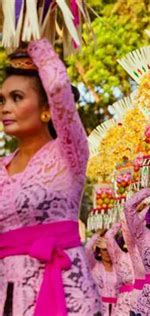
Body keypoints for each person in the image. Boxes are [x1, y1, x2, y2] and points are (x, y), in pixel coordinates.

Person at [0, 39, 101, 315]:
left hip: (66, 294)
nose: (5, 108)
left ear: (47, 109)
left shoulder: (69, 154)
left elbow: (57, 86)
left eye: (16, 98)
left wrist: (34, 37)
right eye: (2, 99)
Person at [104, 224, 138, 315]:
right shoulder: (119, 256)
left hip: (141, 302)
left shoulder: (146, 254)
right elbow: (108, 236)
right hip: (123, 306)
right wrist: (122, 221)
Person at [85, 233, 118, 315]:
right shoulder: (94, 265)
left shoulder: (119, 267)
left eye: (109, 249)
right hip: (99, 309)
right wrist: (97, 235)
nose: (107, 253)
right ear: (99, 252)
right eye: (104, 250)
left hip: (118, 309)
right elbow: (87, 250)